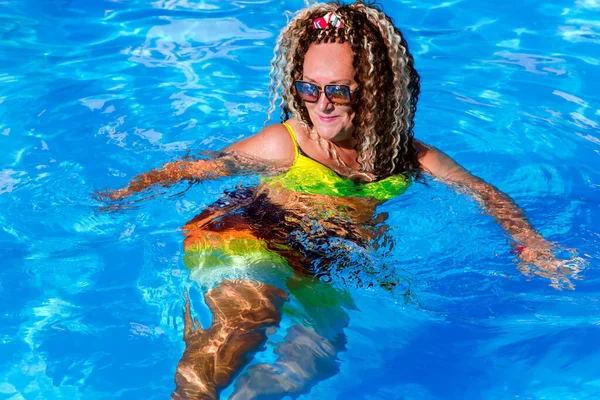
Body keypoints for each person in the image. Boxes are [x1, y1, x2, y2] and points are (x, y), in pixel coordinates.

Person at [101, 1, 580, 399]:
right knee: (247, 324)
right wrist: (126, 195)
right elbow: (196, 167)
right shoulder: (284, 144)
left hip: (323, 259)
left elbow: (483, 192)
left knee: (315, 358)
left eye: (338, 91)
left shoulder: (407, 158)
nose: (320, 104)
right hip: (247, 235)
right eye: (308, 88)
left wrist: (528, 241)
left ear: (375, 91)